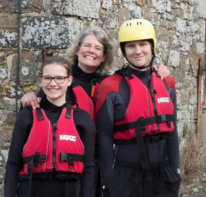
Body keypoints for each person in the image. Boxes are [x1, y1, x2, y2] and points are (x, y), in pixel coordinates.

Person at [19, 26, 171, 197]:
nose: (91, 51)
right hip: (66, 166)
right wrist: (28, 100)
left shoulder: (109, 84)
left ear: (104, 56)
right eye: (87, 46)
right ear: (77, 50)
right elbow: (35, 123)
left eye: (98, 48)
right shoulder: (58, 83)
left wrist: (158, 69)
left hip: (99, 162)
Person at [96, 19, 181, 197]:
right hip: (124, 175)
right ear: (124, 50)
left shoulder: (167, 82)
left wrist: (176, 170)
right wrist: (108, 180)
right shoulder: (110, 86)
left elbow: (172, 131)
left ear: (152, 47)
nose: (138, 51)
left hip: (163, 174)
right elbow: (104, 137)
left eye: (143, 44)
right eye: (131, 46)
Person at [4, 56, 96, 197]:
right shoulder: (26, 116)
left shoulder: (82, 118)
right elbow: (13, 164)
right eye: (47, 78)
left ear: (69, 80)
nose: (53, 83)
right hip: (31, 190)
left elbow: (89, 167)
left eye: (59, 78)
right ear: (41, 80)